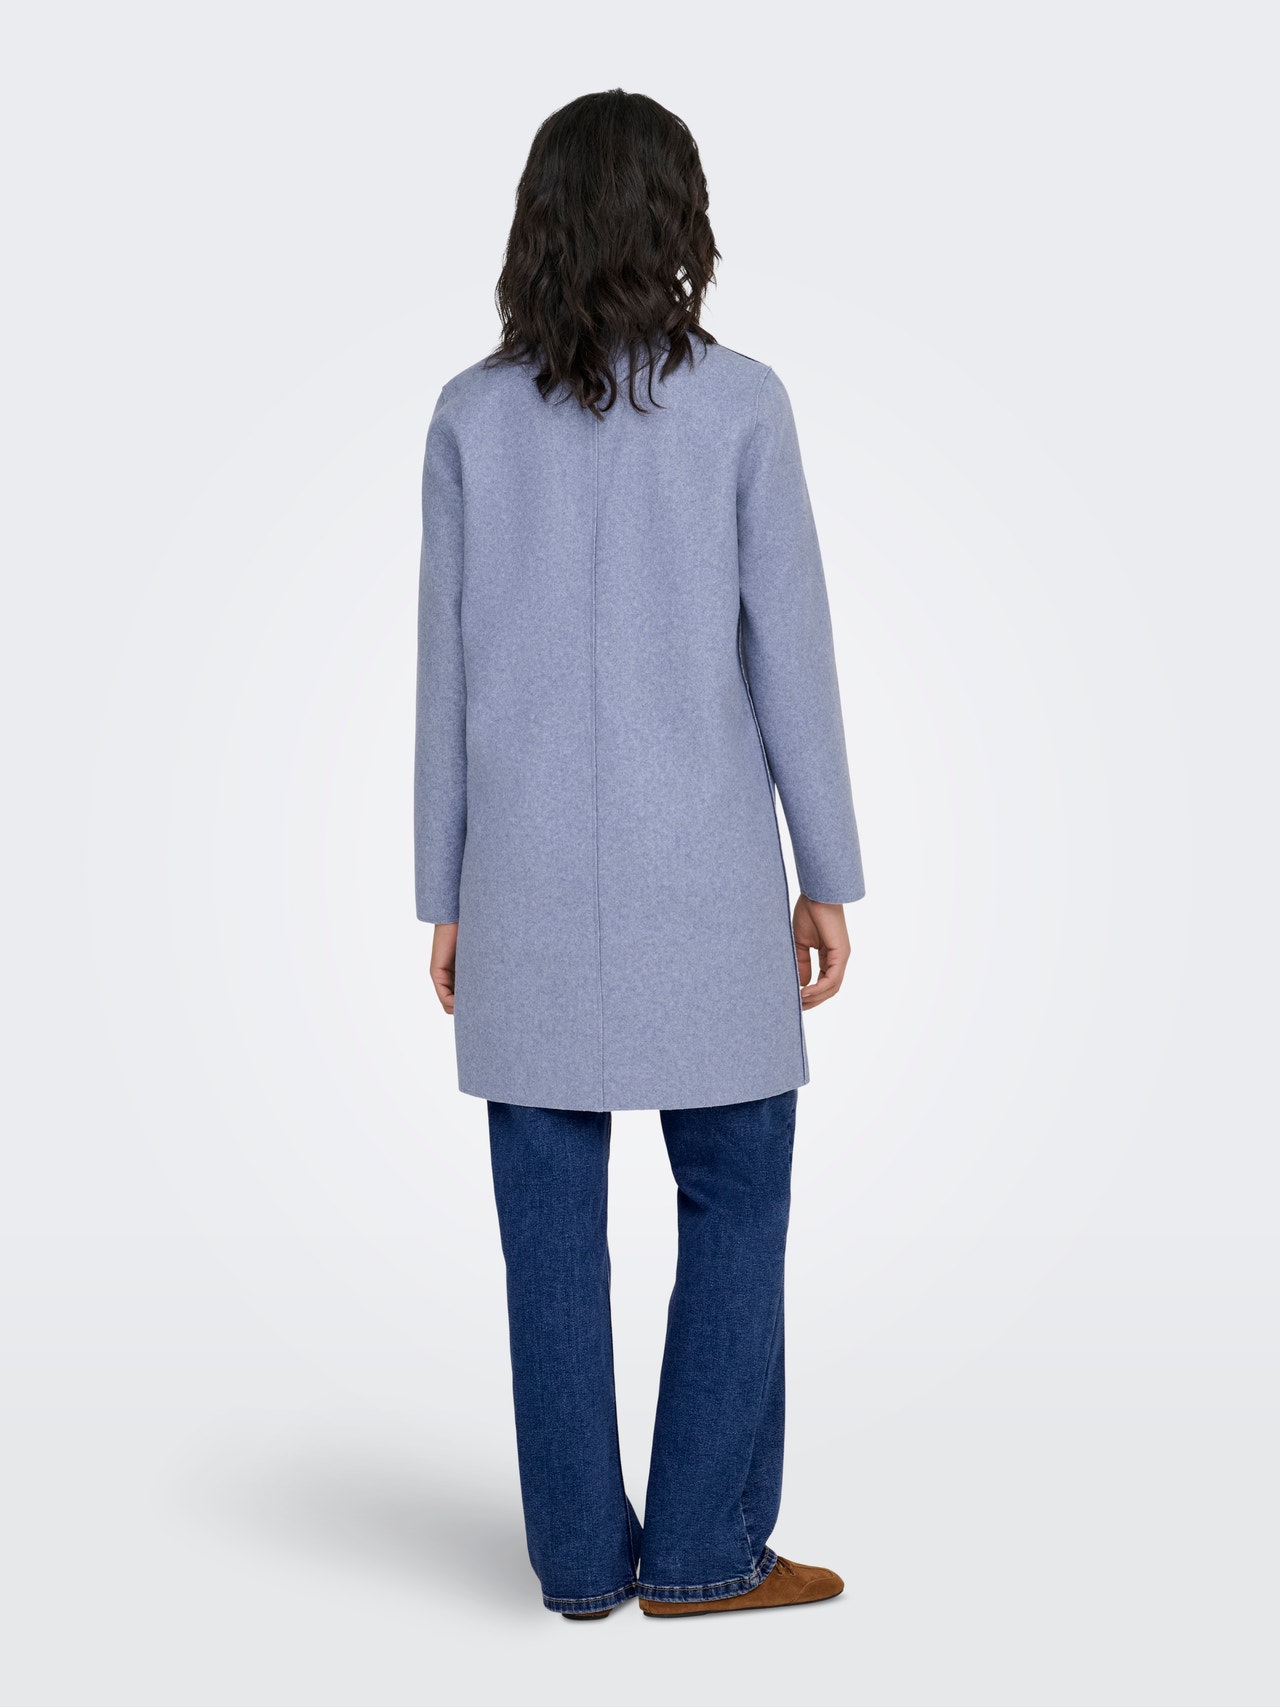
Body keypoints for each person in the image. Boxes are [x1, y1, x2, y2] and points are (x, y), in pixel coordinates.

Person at [414, 89, 865, 1619]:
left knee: (549, 1240)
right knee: (737, 1202)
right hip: (704, 885)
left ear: (537, 222)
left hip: (523, 886)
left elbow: (446, 675)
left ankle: (580, 1567)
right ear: (681, 219)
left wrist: (443, 890)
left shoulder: (470, 418)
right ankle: (701, 1553)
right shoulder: (742, 406)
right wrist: (825, 869)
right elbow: (791, 655)